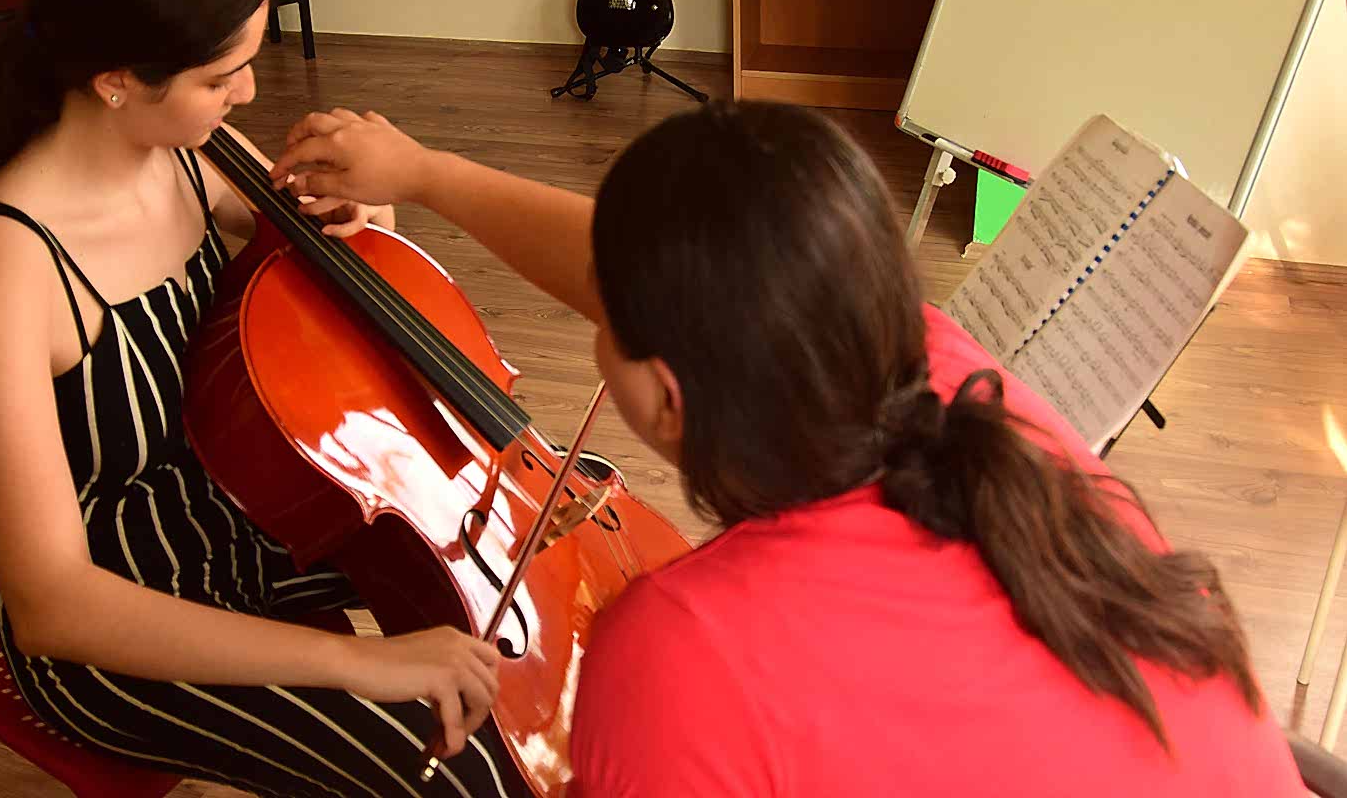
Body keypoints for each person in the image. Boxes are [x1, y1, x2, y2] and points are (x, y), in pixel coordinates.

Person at [269, 100, 1307, 797]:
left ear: (665, 397)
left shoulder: (677, 654)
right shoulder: (953, 378)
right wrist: (428, 174)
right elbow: (678, 274)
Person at [0, 0, 528, 797]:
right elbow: (51, 603)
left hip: (251, 518)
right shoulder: (8, 257)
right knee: (454, 767)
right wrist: (362, 662)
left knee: (518, 626)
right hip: (118, 627)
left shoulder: (188, 155)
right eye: (218, 78)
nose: (246, 93)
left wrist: (366, 215)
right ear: (117, 80)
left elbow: (349, 258)